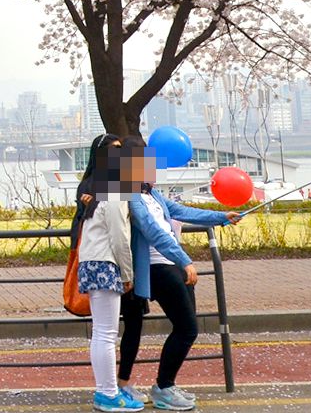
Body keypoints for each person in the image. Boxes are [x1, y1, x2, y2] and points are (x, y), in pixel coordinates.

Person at [117, 142, 240, 411]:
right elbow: (152, 231)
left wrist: (222, 217)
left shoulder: (153, 195)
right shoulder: (131, 195)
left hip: (172, 265)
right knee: (187, 328)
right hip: (156, 267)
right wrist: (185, 260)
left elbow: (183, 212)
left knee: (186, 328)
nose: (154, 169)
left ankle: (165, 385)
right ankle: (163, 387)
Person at [79, 134, 141, 412]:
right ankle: (108, 393)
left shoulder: (99, 188)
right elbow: (119, 238)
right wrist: (127, 274)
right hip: (105, 264)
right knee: (106, 334)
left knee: (101, 333)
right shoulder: (115, 190)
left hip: (91, 262)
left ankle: (106, 391)